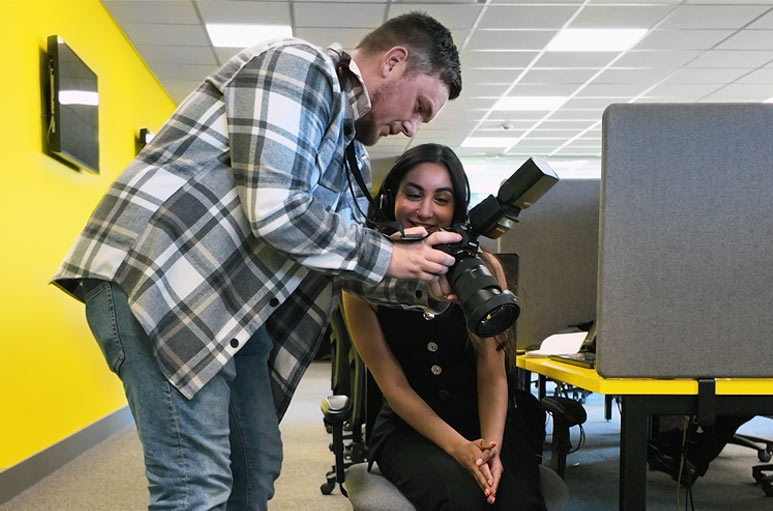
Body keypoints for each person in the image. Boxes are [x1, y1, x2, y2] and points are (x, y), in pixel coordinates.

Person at [51, 12, 464, 511]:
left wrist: (426, 283)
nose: (410, 129)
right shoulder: (298, 67)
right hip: (163, 284)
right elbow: (278, 209)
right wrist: (395, 255)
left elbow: (343, 260)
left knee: (254, 470)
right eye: (420, 107)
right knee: (194, 485)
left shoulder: (349, 152)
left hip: (233, 309)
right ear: (394, 62)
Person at [342, 143, 547, 510]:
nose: (424, 211)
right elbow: (395, 388)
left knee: (517, 502)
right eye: (413, 194)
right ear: (391, 199)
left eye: (442, 198)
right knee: (461, 501)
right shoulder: (364, 281)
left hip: (486, 421)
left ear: (456, 210)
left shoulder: (483, 268)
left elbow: (492, 373)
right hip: (411, 430)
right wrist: (459, 449)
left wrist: (489, 447)